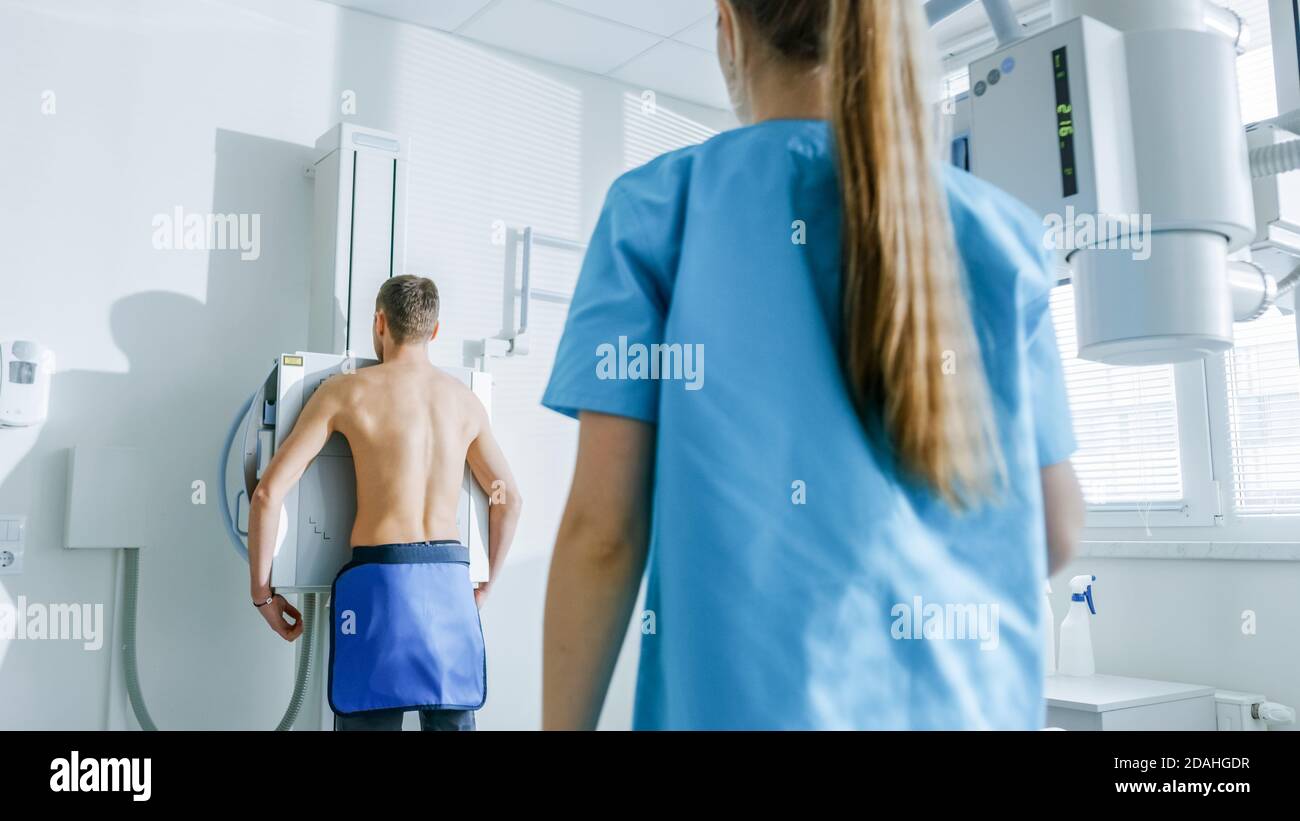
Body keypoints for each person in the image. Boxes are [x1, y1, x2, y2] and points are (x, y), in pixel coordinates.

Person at [541, 0, 1085, 730]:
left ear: (728, 29)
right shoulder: (1000, 235)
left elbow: (603, 533)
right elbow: (1056, 528)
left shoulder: (655, 212)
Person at [247, 275, 521, 731]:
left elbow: (267, 493)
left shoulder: (345, 392)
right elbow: (507, 498)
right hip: (451, 583)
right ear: (434, 331)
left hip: (382, 581)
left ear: (380, 322)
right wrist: (485, 585)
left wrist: (263, 595)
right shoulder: (465, 402)